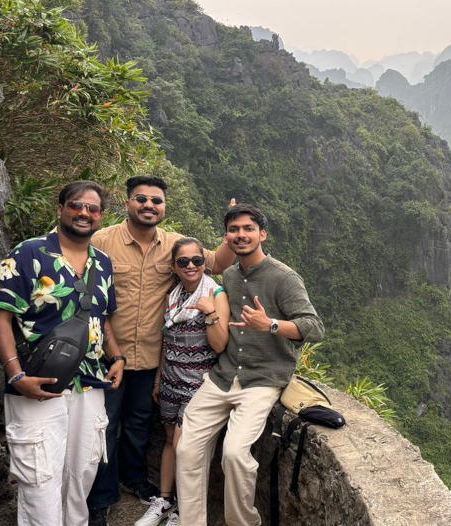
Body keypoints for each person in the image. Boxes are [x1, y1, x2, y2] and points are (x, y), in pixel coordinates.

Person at [87, 175, 236, 526]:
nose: (149, 206)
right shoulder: (102, 240)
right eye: (141, 199)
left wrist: (230, 232)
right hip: (108, 354)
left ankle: (135, 477)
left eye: (156, 201)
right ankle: (102, 498)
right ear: (128, 203)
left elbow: (215, 262)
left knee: (139, 423)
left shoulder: (174, 245)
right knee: (103, 426)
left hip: (152, 358)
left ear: (164, 207)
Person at [176, 204, 325, 526]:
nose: (240, 235)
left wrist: (270, 324)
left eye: (247, 228)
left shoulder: (284, 278)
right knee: (187, 449)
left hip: (263, 380)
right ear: (226, 237)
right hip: (223, 375)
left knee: (234, 454)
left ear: (262, 234)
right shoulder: (228, 275)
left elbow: (314, 328)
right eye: (233, 230)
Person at [0, 181, 125, 526]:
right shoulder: (29, 253)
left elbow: (102, 318)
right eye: (77, 205)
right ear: (61, 208)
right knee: (40, 476)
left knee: (82, 471)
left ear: (100, 217)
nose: (84, 213)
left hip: (89, 383)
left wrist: (117, 357)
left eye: (92, 209)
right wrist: (16, 375)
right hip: (38, 381)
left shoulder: (103, 262)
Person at [134, 238, 230, 526]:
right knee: (169, 443)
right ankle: (164, 500)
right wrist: (159, 378)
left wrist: (210, 312)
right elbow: (167, 340)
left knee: (183, 446)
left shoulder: (216, 293)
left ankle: (184, 512)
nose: (191, 266)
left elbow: (220, 345)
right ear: (174, 267)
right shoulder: (173, 295)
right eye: (183, 261)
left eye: (197, 261)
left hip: (198, 384)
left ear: (204, 263)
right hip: (171, 381)